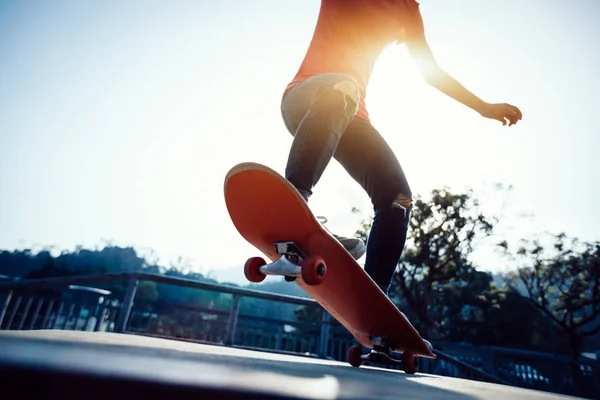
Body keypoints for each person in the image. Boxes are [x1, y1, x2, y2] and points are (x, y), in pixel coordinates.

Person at [280, 0, 522, 295]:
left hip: (353, 116)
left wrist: (483, 107)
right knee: (343, 87)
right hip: (307, 97)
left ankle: (372, 299)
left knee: (398, 199)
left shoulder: (408, 9)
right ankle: (292, 211)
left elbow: (430, 71)